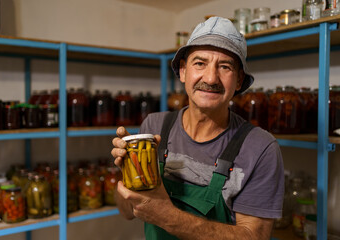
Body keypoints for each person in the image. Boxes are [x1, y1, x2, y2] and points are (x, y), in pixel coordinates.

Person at [111, 16, 284, 240]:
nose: (211, 78)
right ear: (183, 71)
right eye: (200, 63)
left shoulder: (260, 148)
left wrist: (166, 215)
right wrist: (128, 173)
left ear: (239, 81)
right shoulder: (154, 126)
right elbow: (127, 213)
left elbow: (254, 237)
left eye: (225, 67)